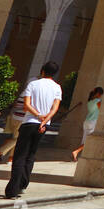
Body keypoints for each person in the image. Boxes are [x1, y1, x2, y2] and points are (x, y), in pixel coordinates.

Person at [4, 61, 63, 200]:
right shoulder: (57, 87)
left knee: (20, 155)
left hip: (29, 122)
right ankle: (23, 185)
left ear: (42, 71)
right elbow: (55, 108)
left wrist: (37, 115)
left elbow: (26, 105)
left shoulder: (33, 84)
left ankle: (13, 190)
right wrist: (44, 120)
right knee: (31, 154)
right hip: (43, 125)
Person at [0, 93, 26, 166]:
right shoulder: (31, 90)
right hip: (20, 118)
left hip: (17, 117)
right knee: (18, 139)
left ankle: (10, 159)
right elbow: (26, 106)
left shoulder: (26, 91)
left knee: (15, 138)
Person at [71, 86, 103, 162]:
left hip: (87, 122)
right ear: (98, 94)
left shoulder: (89, 101)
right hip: (93, 122)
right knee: (89, 141)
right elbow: (101, 110)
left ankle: (80, 154)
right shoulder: (98, 101)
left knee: (85, 140)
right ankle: (76, 152)